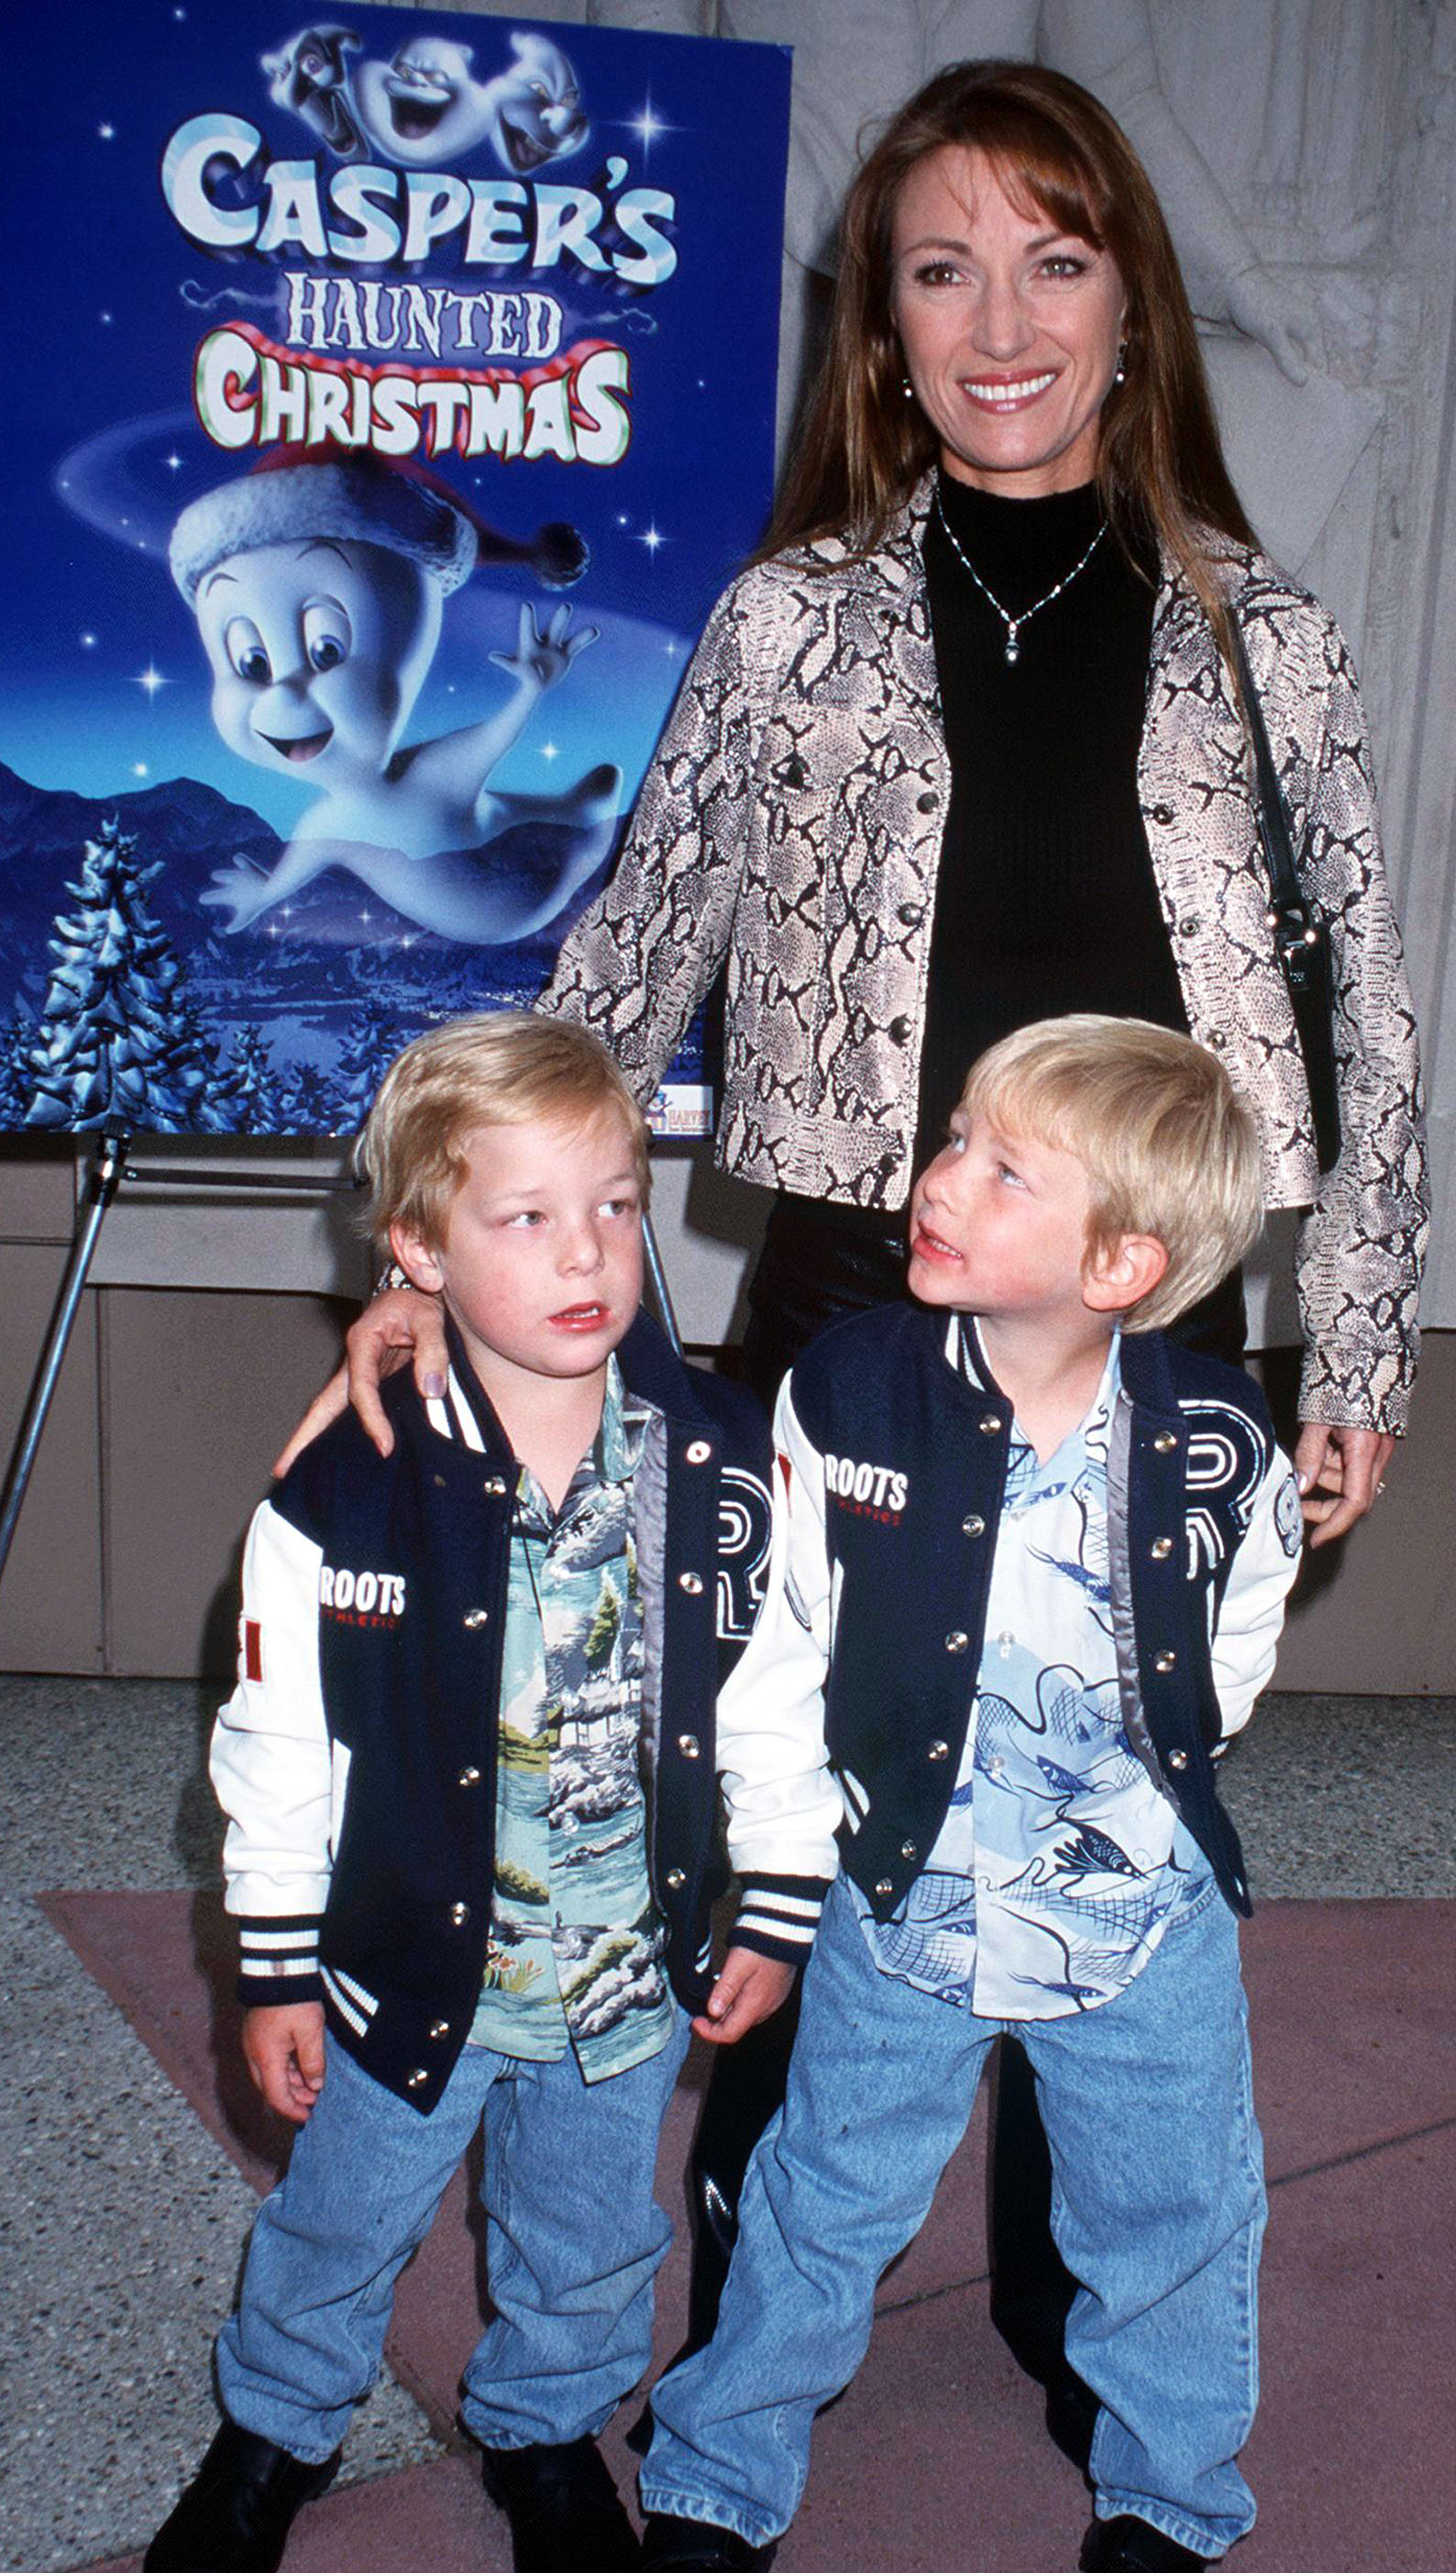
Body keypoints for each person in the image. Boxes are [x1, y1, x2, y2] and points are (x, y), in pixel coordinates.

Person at [292, 59, 1426, 2443]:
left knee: (1096, 1823)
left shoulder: (1265, 638)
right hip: (839, 1320)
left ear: (1128, 303)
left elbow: (1364, 998)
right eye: (938, 267)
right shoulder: (791, 622)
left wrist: (1360, 1341)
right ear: (877, 331)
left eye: (1052, 254)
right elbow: (624, 956)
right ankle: (738, 2310)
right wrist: (435, 1246)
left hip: (1147, 1331)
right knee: (785, 1808)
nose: (997, 317)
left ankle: (1060, 2292)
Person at [615, 1014, 1306, 2573]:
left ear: (1123, 1262)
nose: (940, 1182)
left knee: (1173, 2217)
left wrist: (1141, 1766)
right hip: (899, 1895)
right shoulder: (846, 1389)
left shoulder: (1215, 1439)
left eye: (1005, 1171)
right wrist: (782, 1876)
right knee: (817, 2196)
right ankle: (714, 2489)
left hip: (1128, 1918)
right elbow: (777, 1644)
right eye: (952, 1142)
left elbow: (1244, 1619)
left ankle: (1164, 2510)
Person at [142, 1013, 807, 2573]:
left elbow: (777, 1695)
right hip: (399, 1973)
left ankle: (549, 2430)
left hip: (620, 1987)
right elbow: (279, 1742)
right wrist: (277, 1966)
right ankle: (275, 2429)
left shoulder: (720, 1462)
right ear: (417, 1251)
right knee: (339, 2221)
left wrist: (775, 1900)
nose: (586, 1250)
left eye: (613, 1203)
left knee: (589, 2237)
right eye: (524, 1217)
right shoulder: (338, 1492)